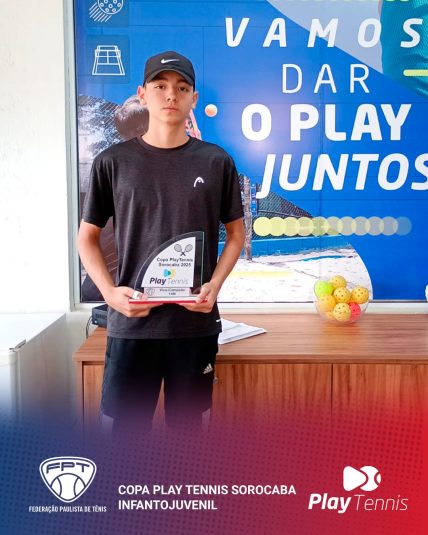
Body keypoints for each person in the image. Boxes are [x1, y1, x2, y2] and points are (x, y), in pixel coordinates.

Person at [77, 50, 245, 435]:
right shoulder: (112, 162)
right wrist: (110, 294)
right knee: (128, 434)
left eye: (182, 88)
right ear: (143, 94)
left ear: (193, 99)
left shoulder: (216, 161)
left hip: (193, 324)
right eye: (160, 86)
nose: (171, 95)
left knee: (187, 433)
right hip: (132, 325)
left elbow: (237, 234)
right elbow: (87, 237)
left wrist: (214, 286)